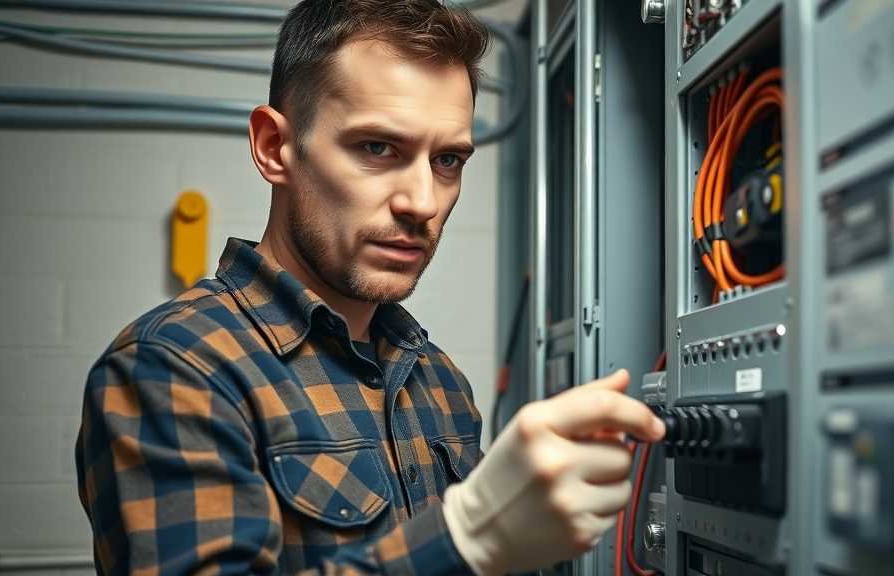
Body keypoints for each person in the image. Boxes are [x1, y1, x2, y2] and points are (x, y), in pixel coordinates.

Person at [75, 0, 665, 574]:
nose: (423, 202)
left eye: (448, 161)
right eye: (378, 148)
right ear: (274, 148)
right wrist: (468, 536)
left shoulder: (439, 380)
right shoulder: (174, 368)